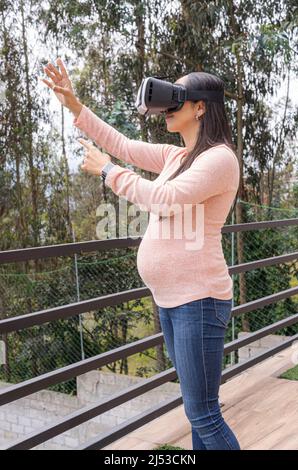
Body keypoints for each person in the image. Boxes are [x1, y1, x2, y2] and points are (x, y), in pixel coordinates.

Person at [40, 58, 241, 450]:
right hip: (173, 301)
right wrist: (76, 107)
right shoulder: (176, 157)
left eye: (176, 98)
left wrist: (107, 172)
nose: (167, 108)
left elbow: (163, 200)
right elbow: (123, 145)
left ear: (200, 106)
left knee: (204, 415)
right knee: (197, 412)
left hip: (198, 301)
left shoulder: (219, 158)